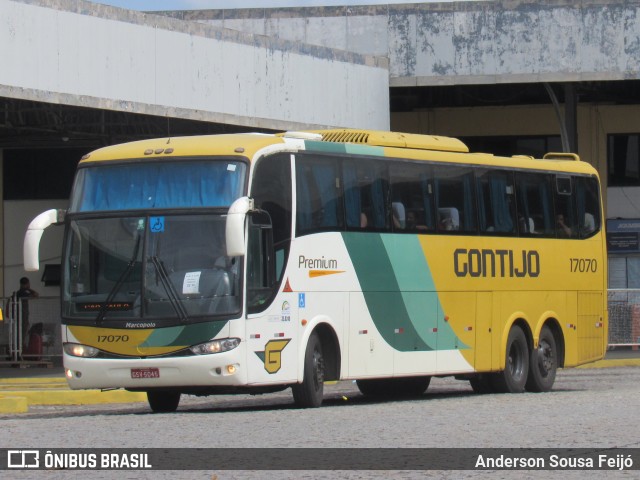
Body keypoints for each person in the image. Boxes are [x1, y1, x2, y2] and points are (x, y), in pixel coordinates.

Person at [15, 277, 39, 349]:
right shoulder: (22, 293)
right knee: (22, 333)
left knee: (21, 333)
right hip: (22, 316)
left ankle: (20, 348)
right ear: (27, 284)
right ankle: (20, 349)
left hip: (20, 316)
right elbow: (36, 295)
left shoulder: (18, 293)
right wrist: (29, 289)